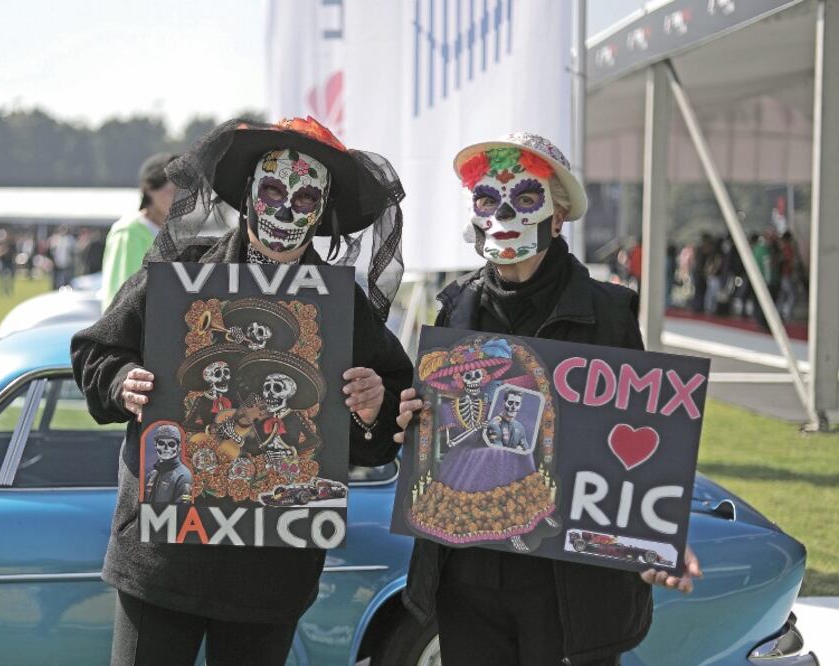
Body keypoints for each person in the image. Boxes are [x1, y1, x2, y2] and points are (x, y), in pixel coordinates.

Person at [71, 117, 410, 666]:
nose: (285, 210)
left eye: (305, 198)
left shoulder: (341, 307)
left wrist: (373, 407)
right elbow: (95, 350)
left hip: (268, 574)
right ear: (249, 193)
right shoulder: (182, 273)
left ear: (322, 211)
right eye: (273, 190)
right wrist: (120, 382)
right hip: (164, 559)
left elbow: (387, 419)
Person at [393, 133, 702, 666]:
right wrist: (414, 420)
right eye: (487, 198)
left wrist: (657, 532)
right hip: (469, 576)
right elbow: (439, 437)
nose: (503, 213)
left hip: (567, 586)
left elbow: (639, 435)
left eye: (525, 198)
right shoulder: (455, 309)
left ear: (558, 217)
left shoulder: (608, 314)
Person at [98, 153, 178, 311]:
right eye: (173, 190)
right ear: (149, 188)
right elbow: (120, 297)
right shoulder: (128, 232)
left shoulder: (176, 233)